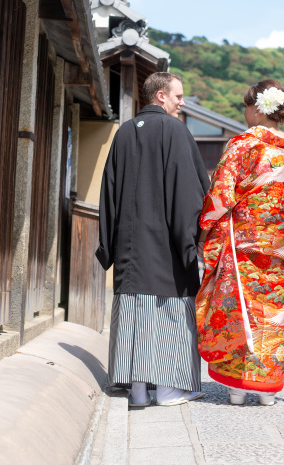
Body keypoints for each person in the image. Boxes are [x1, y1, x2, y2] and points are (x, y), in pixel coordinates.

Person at [195, 79, 284, 406]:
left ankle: (237, 388)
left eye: (247, 106)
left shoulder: (242, 146)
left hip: (243, 245)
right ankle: (268, 389)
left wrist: (205, 231)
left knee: (241, 308)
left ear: (257, 109)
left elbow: (221, 195)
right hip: (281, 249)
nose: (245, 112)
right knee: (274, 313)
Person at [96, 72, 210, 407]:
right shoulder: (175, 131)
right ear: (161, 96)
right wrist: (192, 240)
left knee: (134, 311)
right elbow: (189, 192)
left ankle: (138, 390)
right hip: (166, 247)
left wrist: (109, 244)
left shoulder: (124, 132)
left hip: (129, 248)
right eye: (178, 96)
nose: (182, 103)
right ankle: (168, 389)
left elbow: (109, 192)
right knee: (168, 313)